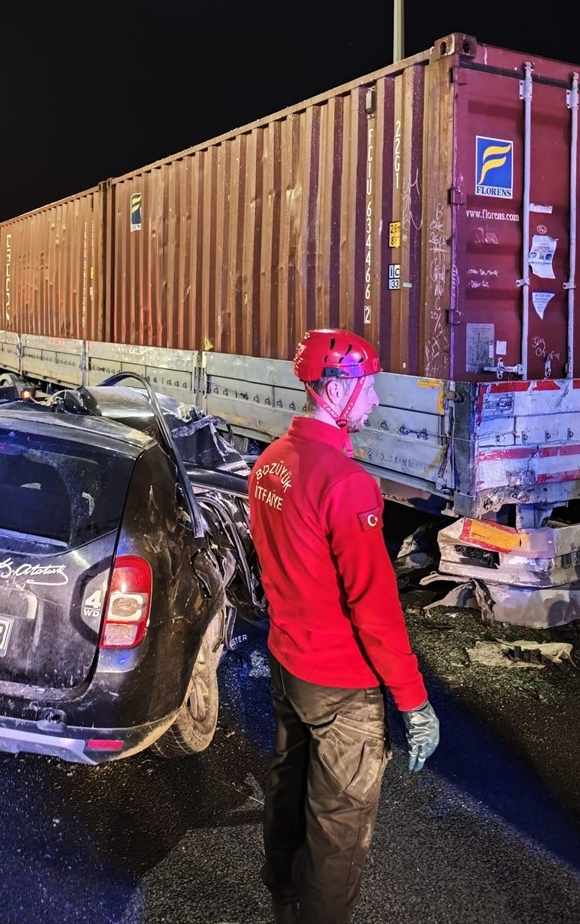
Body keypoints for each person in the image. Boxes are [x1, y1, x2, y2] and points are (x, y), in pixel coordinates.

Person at [247, 328, 439, 924]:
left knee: (288, 792)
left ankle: (283, 902)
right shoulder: (346, 483)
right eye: (369, 386)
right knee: (338, 835)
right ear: (334, 390)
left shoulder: (270, 464)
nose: (376, 400)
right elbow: (374, 606)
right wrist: (413, 702)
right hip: (341, 686)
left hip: (289, 665)